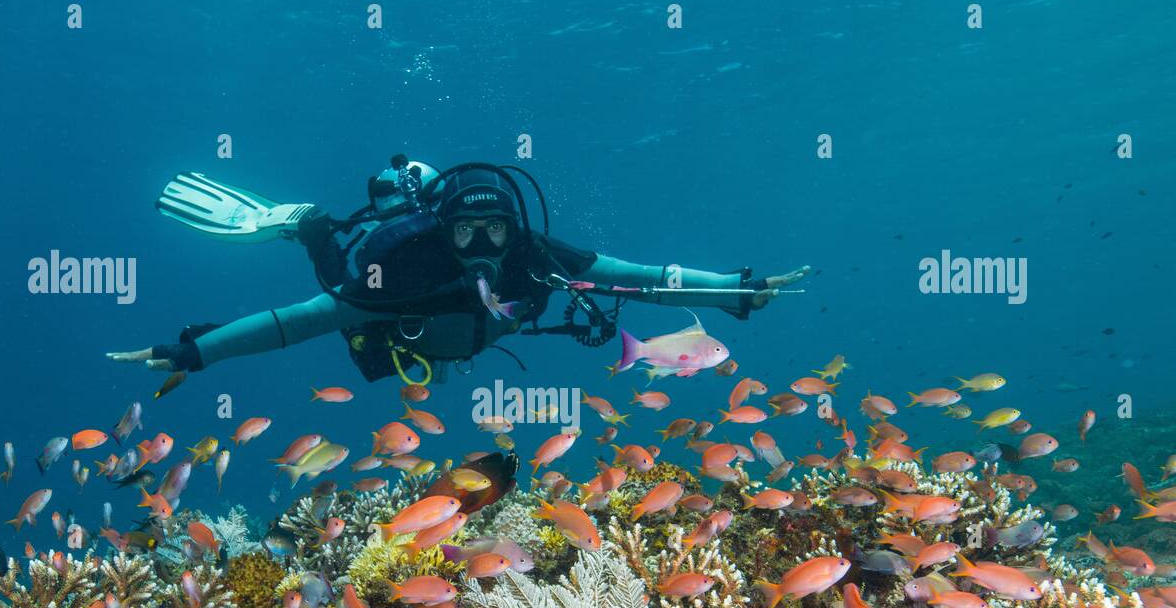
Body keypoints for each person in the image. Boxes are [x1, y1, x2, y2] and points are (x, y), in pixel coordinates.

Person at [109, 156, 810, 385]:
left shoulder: (535, 258)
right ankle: (311, 224)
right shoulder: (404, 266)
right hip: (403, 325)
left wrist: (736, 292)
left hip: (453, 344)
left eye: (494, 226)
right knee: (339, 277)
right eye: (466, 227)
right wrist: (196, 351)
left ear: (515, 227)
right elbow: (299, 322)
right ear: (444, 229)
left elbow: (646, 277)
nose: (481, 240)